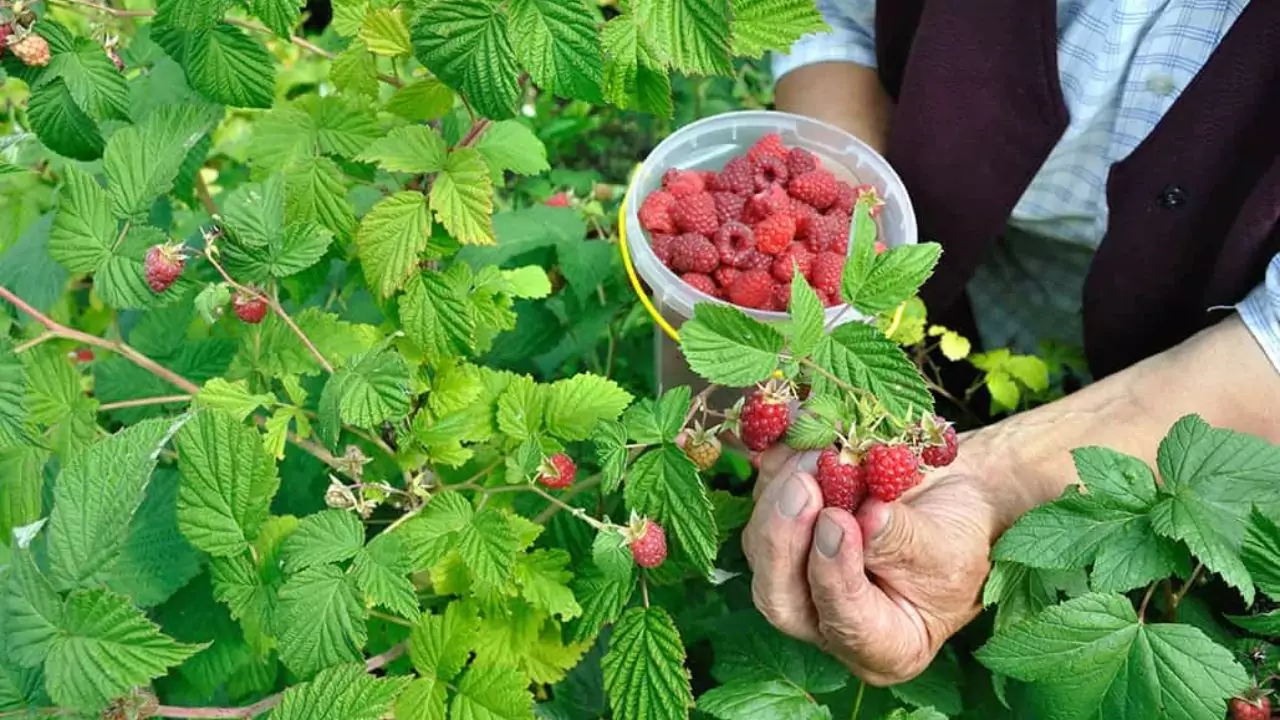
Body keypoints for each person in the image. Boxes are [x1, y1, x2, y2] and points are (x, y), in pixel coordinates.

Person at [742, 0, 1280, 685]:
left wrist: (999, 481)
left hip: (1217, 341)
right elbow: (828, 17)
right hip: (938, 249)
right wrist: (824, 257)